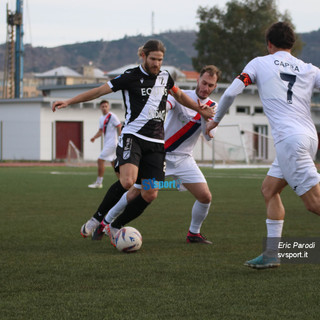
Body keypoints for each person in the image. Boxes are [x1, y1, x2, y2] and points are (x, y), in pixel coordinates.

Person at [52, 39, 214, 238]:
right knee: (128, 181)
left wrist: (200, 110)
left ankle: (115, 225)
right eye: (153, 59)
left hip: (156, 144)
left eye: (160, 60)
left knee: (150, 192)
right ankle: (96, 219)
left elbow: (179, 96)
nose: (157, 64)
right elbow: (98, 91)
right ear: (143, 56)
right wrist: (69, 101)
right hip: (133, 137)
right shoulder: (130, 76)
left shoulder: (165, 77)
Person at [206, 22, 320, 269]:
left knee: (314, 204)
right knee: (269, 189)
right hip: (309, 138)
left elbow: (229, 94)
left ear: (269, 44)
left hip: (290, 142)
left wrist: (215, 121)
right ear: (292, 44)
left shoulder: (259, 63)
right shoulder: (309, 68)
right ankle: (271, 253)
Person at [92, 65, 221, 245]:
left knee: (205, 197)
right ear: (198, 80)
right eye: (204, 83)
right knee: (136, 191)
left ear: (215, 87)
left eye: (210, 85)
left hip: (185, 159)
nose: (205, 88)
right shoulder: (181, 95)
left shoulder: (213, 106)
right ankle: (105, 223)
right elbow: (165, 105)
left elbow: (207, 135)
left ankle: (194, 233)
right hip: (162, 156)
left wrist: (208, 127)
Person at [88, 100, 122, 188]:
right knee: (114, 163)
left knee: (100, 160)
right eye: (103, 106)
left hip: (112, 143)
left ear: (109, 107)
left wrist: (121, 138)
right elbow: (100, 131)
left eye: (106, 106)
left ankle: (99, 183)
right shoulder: (101, 118)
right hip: (108, 143)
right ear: (100, 107)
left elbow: (119, 126)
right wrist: (94, 137)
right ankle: (122, 182)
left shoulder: (112, 116)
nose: (104, 108)